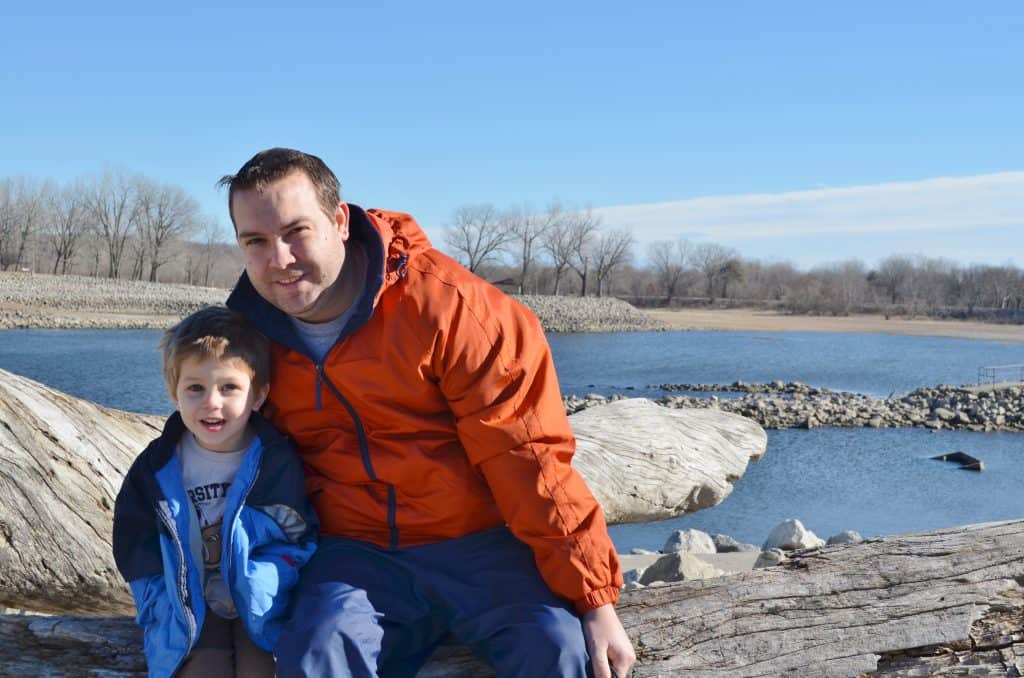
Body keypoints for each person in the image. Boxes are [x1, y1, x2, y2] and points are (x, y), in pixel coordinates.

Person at [221, 148, 636, 678]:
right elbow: (204, 448)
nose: (278, 259)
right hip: (355, 553)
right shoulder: (246, 335)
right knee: (314, 658)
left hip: (482, 545)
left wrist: (595, 599)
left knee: (559, 653)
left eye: (296, 232)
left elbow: (528, 460)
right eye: (255, 241)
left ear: (340, 221)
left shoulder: (453, 311)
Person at [112, 306, 318, 678]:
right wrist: (158, 605)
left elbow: (297, 537)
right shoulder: (155, 469)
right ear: (173, 393)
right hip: (187, 605)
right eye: (195, 388)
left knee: (262, 669)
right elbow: (134, 545)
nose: (212, 402)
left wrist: (263, 586)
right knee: (205, 667)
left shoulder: (276, 463)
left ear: (258, 395)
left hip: (258, 605)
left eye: (229, 388)